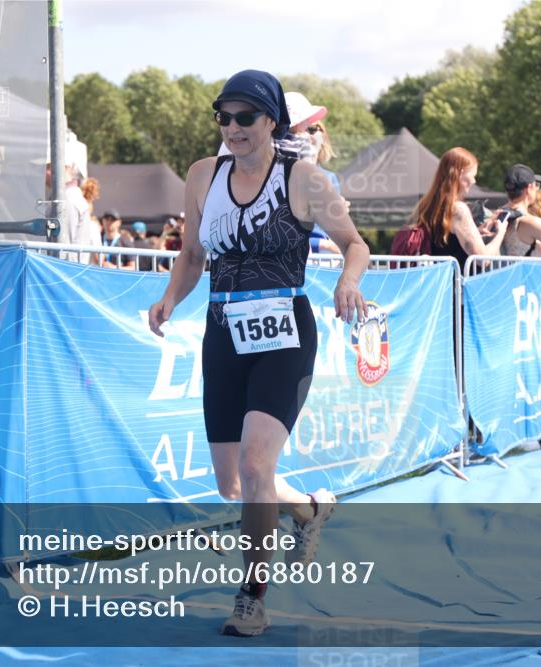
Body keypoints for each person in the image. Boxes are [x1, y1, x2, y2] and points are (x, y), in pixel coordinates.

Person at [147, 70, 369, 637]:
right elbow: (193, 254)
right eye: (224, 117)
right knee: (234, 484)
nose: (234, 128)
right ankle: (311, 509)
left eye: (246, 117)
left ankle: (252, 596)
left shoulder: (305, 178)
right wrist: (171, 296)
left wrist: (348, 281)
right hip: (224, 332)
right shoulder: (202, 175)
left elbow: (355, 244)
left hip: (285, 335)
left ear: (272, 121)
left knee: (255, 464)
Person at [409, 147, 509, 271]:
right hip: (457, 285)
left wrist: (477, 232)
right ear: (461, 173)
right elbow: (483, 260)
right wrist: (500, 234)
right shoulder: (458, 209)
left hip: (438, 283)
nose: (474, 181)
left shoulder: (427, 205)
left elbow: (446, 243)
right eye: (473, 175)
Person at [282, 91, 343, 254]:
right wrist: (322, 245)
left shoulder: (331, 178)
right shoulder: (280, 171)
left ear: (324, 135)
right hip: (296, 257)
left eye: (313, 128)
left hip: (324, 264)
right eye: (303, 127)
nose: (306, 133)